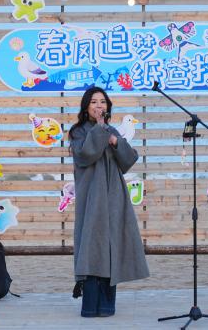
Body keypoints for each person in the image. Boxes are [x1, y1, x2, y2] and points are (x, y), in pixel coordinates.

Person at [67, 86, 149, 317]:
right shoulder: (78, 132)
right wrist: (102, 130)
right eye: (94, 102)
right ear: (86, 107)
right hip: (92, 199)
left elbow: (128, 160)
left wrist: (115, 141)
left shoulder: (111, 130)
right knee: (92, 247)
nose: (99, 106)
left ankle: (106, 305)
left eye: (103, 102)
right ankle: (90, 305)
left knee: (111, 246)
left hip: (114, 198)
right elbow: (85, 155)